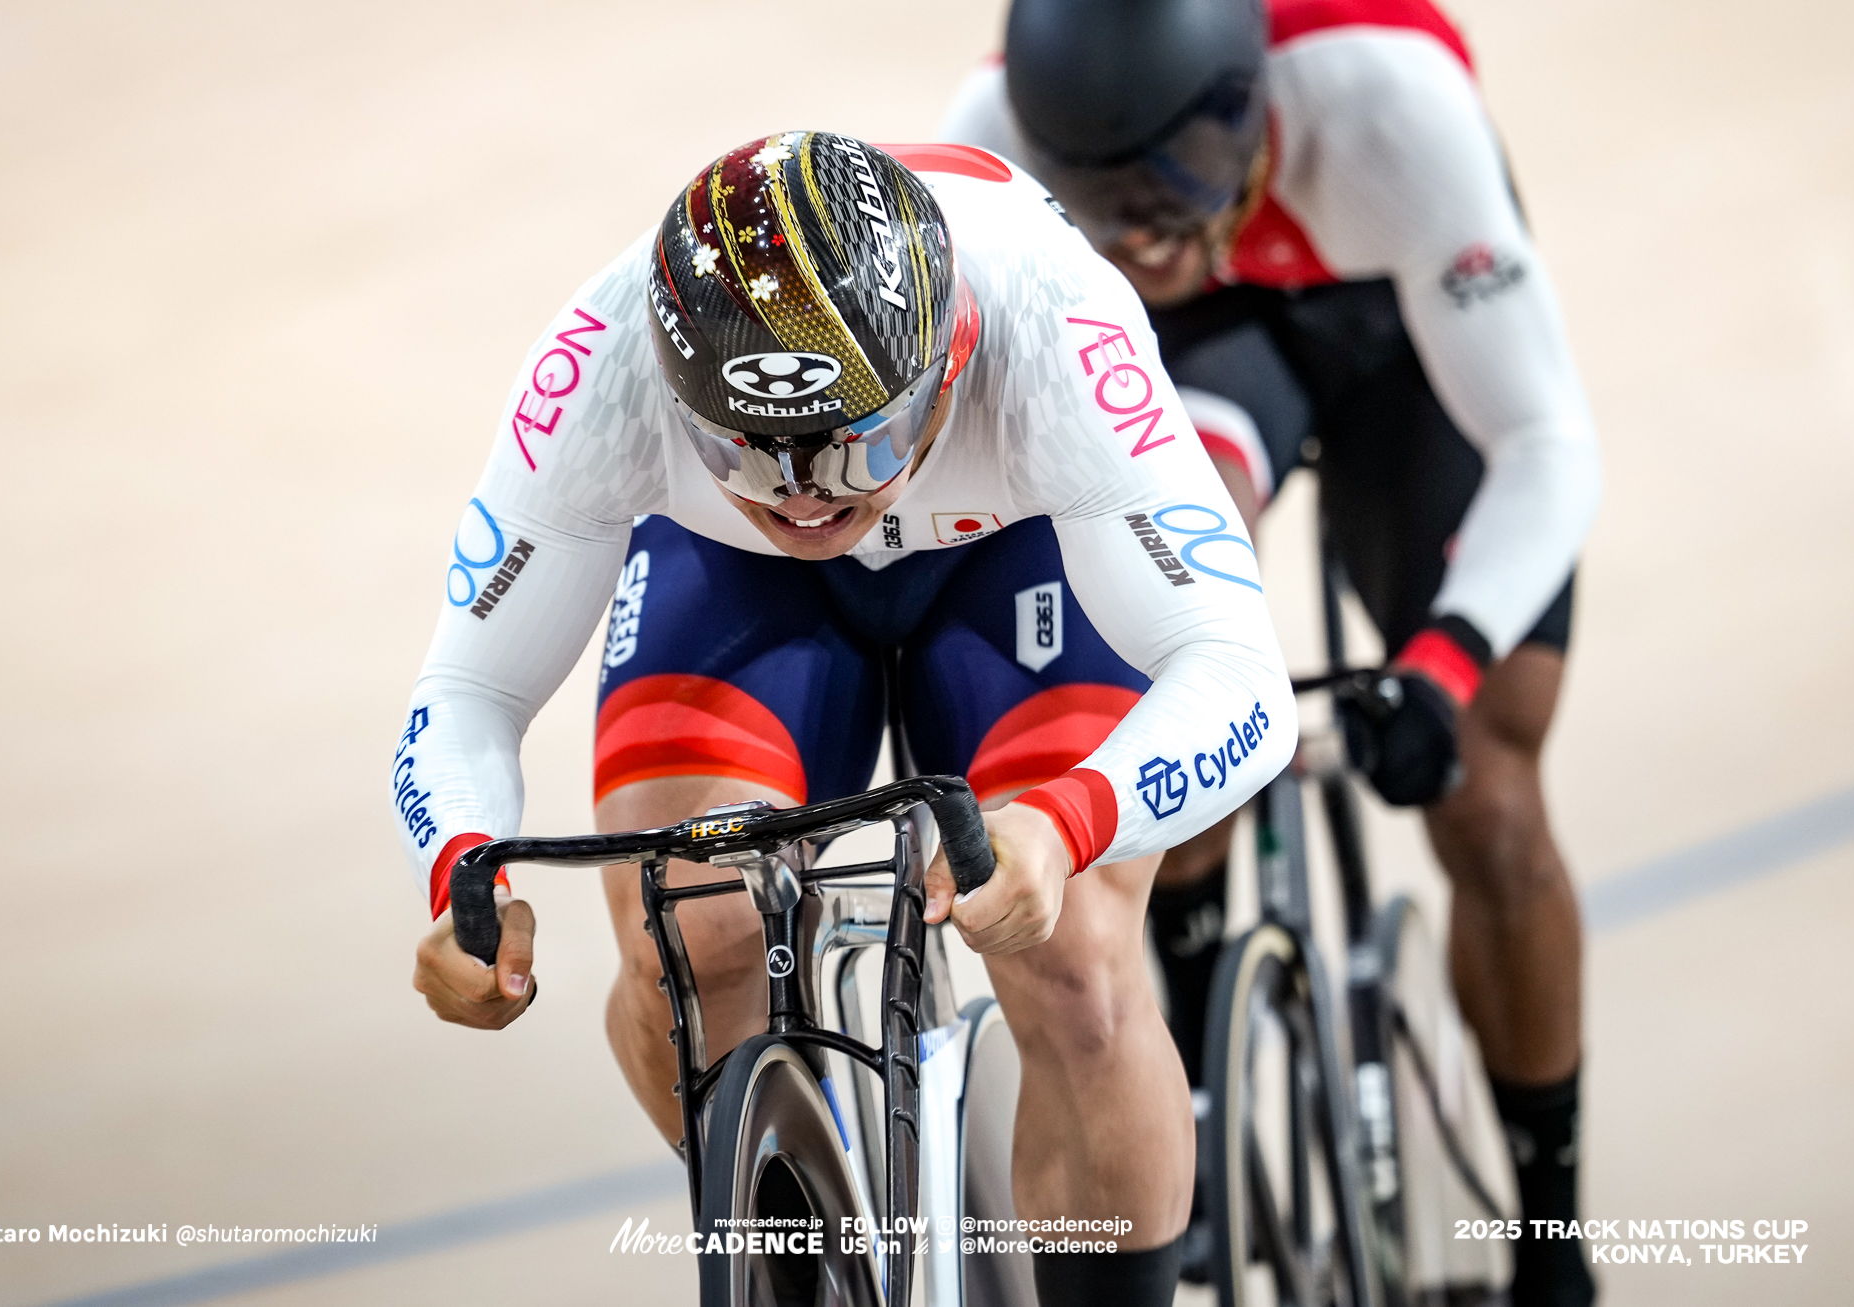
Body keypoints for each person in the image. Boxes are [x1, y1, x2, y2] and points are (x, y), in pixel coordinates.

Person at [395, 130, 1297, 1304]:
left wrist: (1067, 823)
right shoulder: (603, 361)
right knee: (691, 940)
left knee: (1072, 954)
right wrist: (461, 876)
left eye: (856, 444)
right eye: (747, 451)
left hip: (1010, 548)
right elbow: (469, 686)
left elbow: (1241, 676)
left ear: (949, 353)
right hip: (733, 575)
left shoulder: (1055, 327)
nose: (806, 495)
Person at [939, 1, 1602, 1302]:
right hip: (1200, 357)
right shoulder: (990, 138)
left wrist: (1446, 661)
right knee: (1161, 685)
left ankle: (1552, 1237)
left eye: (1169, 192)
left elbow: (1544, 443)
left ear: (1252, 115)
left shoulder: (1390, 106)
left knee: (1493, 791)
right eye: (1097, 203)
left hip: (1395, 328)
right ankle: (1188, 1075)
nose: (1135, 233)